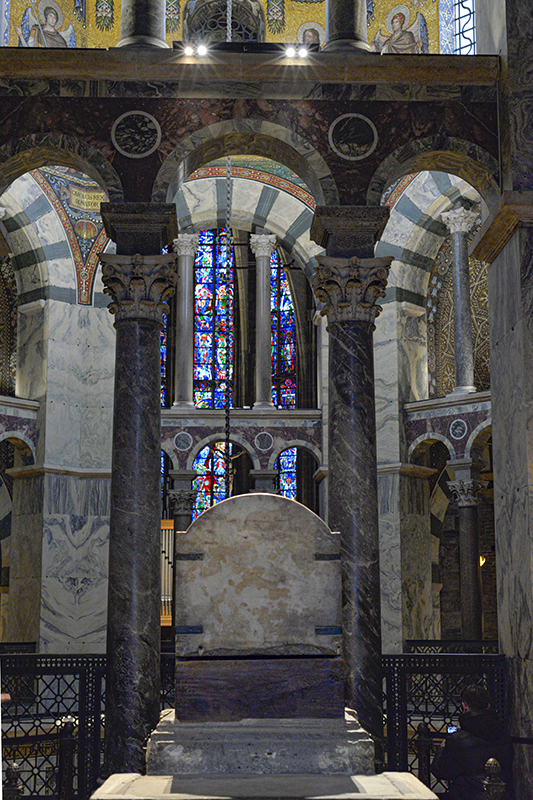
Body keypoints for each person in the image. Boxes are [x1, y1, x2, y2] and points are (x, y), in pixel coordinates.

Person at [431, 684, 514, 800]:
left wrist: (441, 749)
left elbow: (441, 771)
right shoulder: (504, 737)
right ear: (488, 706)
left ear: (465, 706)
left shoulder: (458, 740)